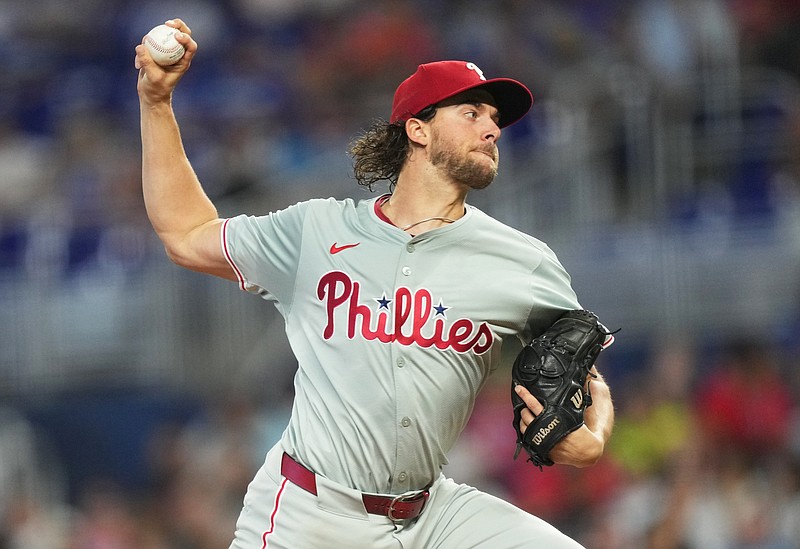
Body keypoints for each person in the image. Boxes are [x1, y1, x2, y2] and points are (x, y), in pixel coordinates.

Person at [135, 18, 615, 549]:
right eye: (471, 112)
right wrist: (156, 104)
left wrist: (594, 435)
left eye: (496, 119)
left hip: (434, 515)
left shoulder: (521, 261)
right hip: (309, 513)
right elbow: (185, 233)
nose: (492, 129)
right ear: (418, 128)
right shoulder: (317, 231)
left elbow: (579, 360)